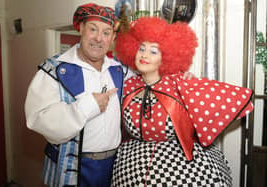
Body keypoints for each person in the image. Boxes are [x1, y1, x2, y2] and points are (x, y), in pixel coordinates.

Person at [111, 17, 254, 186]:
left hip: (180, 171)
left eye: (153, 51)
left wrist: (192, 87)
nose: (144, 55)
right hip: (131, 170)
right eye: (141, 48)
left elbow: (234, 100)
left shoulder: (179, 83)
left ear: (167, 56)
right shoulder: (128, 85)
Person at [24, 3, 135, 187]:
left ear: (113, 38)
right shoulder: (53, 69)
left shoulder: (120, 70)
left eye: (106, 33)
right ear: (81, 29)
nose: (99, 38)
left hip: (113, 167)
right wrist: (86, 107)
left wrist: (180, 73)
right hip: (71, 170)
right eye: (93, 29)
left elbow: (150, 77)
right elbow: (37, 119)